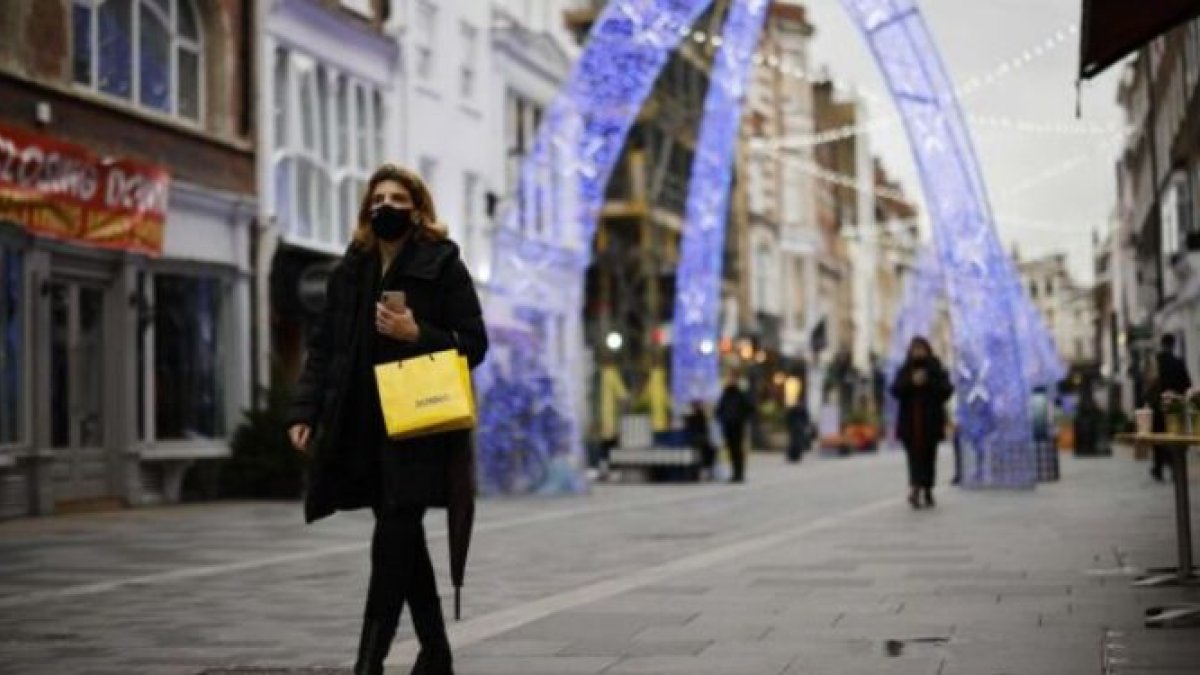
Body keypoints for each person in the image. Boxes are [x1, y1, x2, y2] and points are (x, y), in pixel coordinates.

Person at [286, 164, 487, 675]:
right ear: (366, 209)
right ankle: (436, 652)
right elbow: (324, 347)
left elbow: (475, 344)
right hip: (360, 424)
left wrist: (419, 333)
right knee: (402, 537)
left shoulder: (443, 265)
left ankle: (367, 662)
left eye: (398, 198)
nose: (386, 207)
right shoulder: (350, 270)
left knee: (392, 537)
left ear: (417, 209)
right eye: (378, 199)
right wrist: (305, 410)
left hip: (418, 425)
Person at [890, 337, 953, 509]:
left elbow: (946, 390)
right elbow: (895, 390)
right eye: (915, 349)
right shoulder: (905, 368)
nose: (918, 352)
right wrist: (912, 382)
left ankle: (928, 488)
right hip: (910, 424)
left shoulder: (935, 368)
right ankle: (915, 488)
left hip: (930, 422)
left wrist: (929, 381)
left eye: (921, 349)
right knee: (913, 458)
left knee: (929, 457)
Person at [1151, 334, 1192, 481]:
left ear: (1162, 344)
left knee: (1158, 438)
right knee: (1174, 438)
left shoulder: (1155, 362)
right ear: (1173, 345)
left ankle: (1158, 468)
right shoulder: (1178, 362)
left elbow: (1149, 384)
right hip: (1175, 407)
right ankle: (1175, 468)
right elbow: (1187, 385)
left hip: (1157, 406)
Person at [716, 374, 754, 483]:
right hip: (728, 426)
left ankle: (739, 473)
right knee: (731, 450)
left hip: (738, 426)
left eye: (732, 379)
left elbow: (749, 408)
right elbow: (720, 409)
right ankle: (734, 473)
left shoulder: (741, 394)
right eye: (729, 379)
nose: (730, 381)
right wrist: (722, 418)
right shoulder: (725, 394)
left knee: (738, 451)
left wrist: (742, 419)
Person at [684, 400, 717, 479]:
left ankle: (706, 471)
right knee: (707, 450)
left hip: (700, 440)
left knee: (710, 450)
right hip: (695, 440)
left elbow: (705, 431)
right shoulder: (692, 418)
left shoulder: (700, 417)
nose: (700, 407)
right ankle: (705, 471)